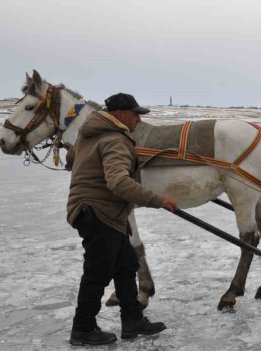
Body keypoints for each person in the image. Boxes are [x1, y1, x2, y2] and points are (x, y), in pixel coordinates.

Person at [66, 93, 178, 345]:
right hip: (98, 211)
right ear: (119, 115)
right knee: (98, 272)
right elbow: (118, 182)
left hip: (104, 211)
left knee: (126, 265)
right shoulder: (113, 139)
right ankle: (82, 329)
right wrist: (158, 199)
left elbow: (73, 161)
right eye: (135, 113)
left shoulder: (91, 133)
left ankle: (132, 320)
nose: (139, 119)